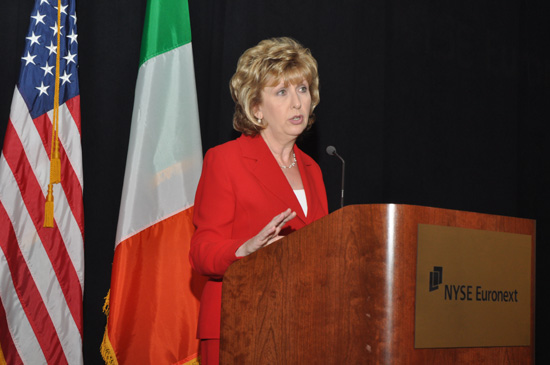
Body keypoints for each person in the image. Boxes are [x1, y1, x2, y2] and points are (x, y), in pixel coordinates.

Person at [189, 37, 329, 364]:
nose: (297, 103)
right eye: (282, 92)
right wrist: (243, 249)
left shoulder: (314, 170)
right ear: (256, 107)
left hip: (303, 329)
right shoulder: (225, 160)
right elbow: (201, 251)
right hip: (240, 327)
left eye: (303, 89)